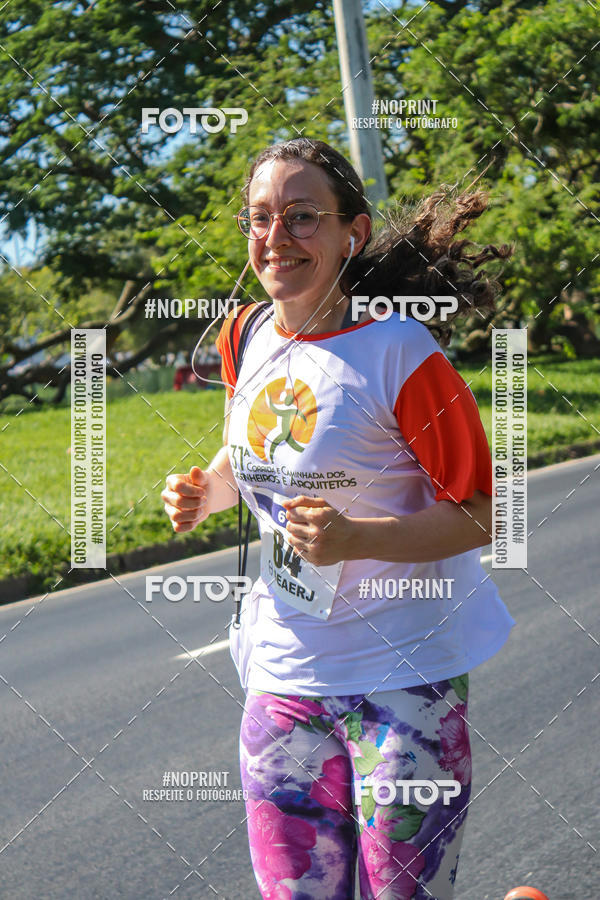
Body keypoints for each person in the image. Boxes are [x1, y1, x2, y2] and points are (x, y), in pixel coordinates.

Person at [161, 138, 516, 900]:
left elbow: (486, 513)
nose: (275, 237)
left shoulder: (400, 352)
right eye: (260, 218)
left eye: (301, 217)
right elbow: (248, 455)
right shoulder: (245, 335)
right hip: (284, 679)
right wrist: (207, 492)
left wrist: (358, 540)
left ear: (350, 234)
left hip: (404, 682)